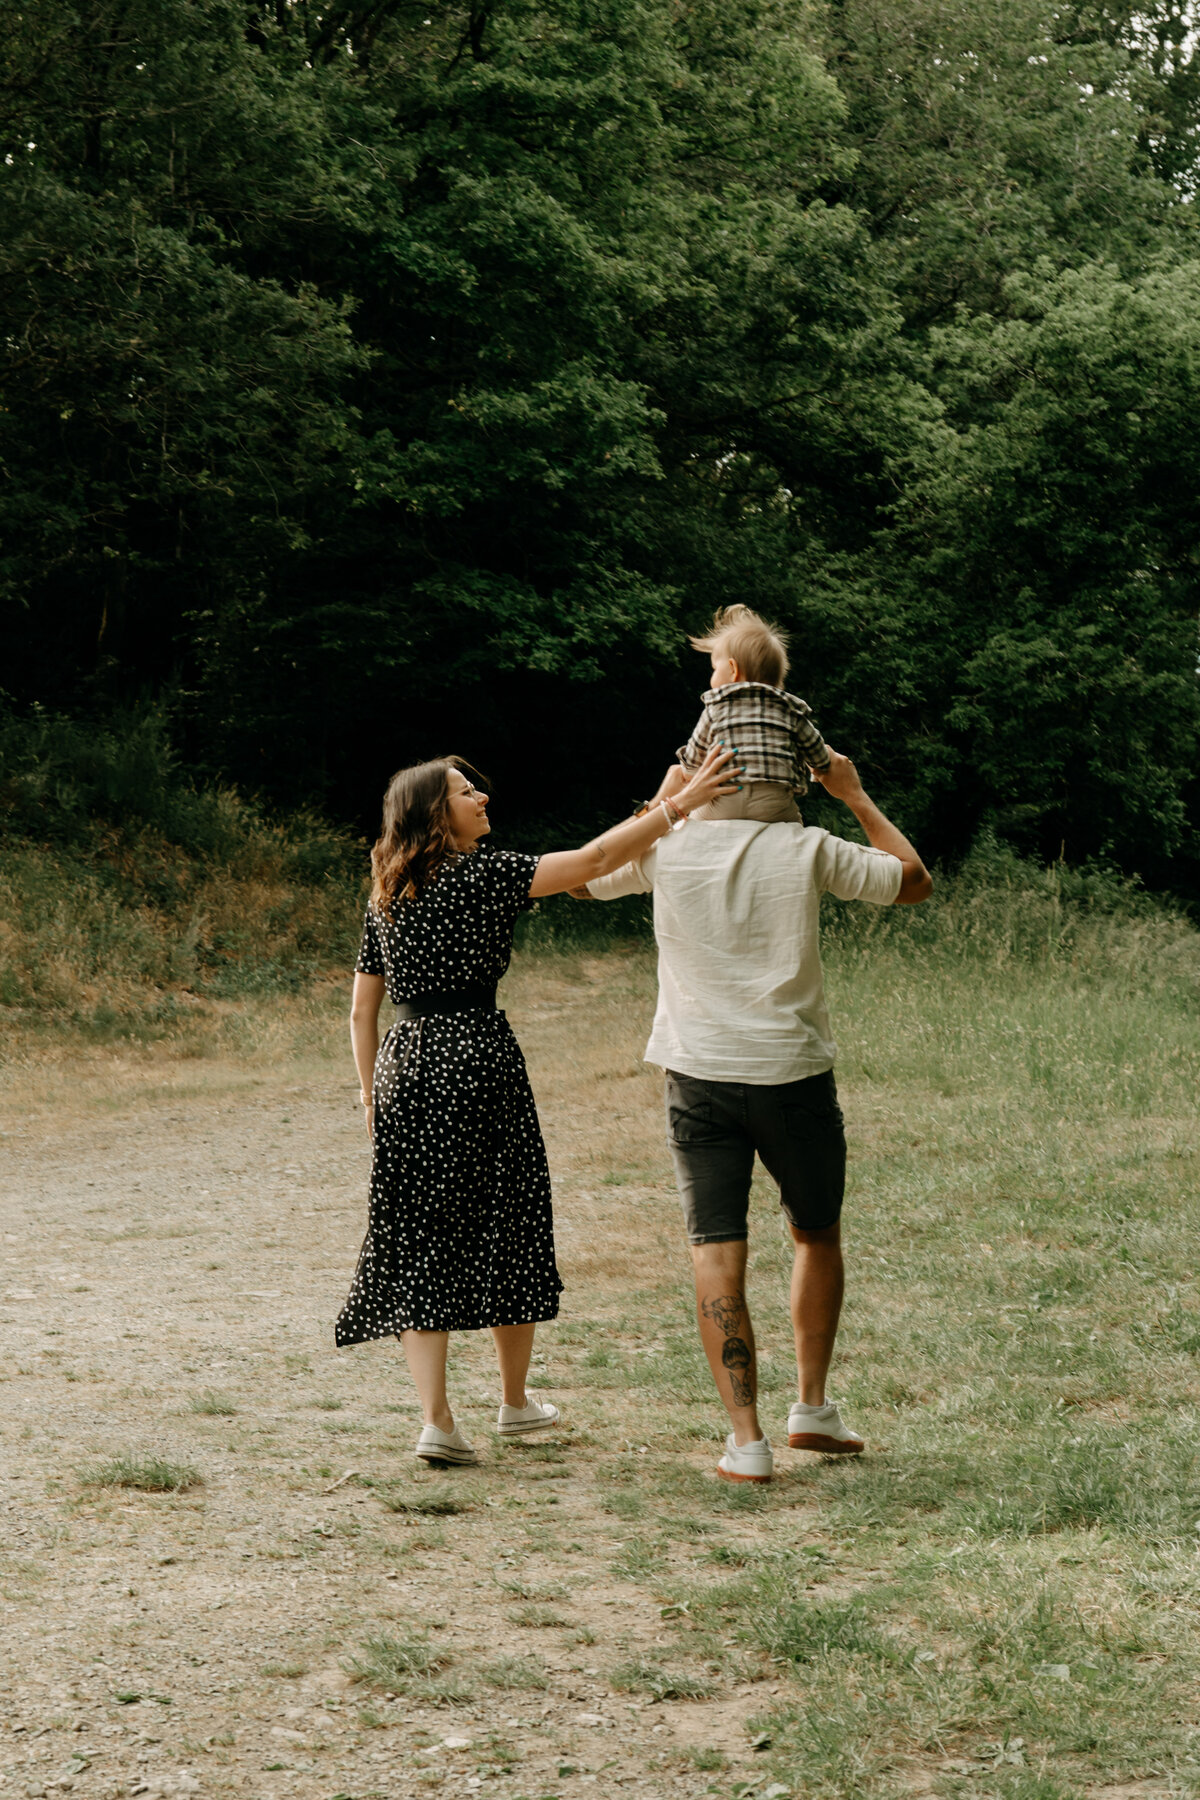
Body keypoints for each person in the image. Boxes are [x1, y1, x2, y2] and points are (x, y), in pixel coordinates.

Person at [337, 746, 741, 1467]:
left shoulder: (386, 892)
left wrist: (370, 1089)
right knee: (507, 1215)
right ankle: (514, 1402)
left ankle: (438, 1420)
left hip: (408, 1063)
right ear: (437, 813)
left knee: (420, 1232)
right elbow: (591, 862)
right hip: (478, 1056)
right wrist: (677, 804)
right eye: (467, 792)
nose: (483, 799)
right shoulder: (486, 875)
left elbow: (362, 1010)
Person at [581, 748, 932, 1482]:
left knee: (715, 1252)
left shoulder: (666, 847)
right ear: (790, 778)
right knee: (815, 1232)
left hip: (699, 1076)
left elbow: (584, 877)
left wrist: (665, 795)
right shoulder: (806, 846)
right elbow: (913, 882)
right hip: (792, 1076)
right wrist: (857, 795)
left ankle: (747, 1443)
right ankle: (811, 1407)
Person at [651, 604, 831, 826]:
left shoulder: (718, 707)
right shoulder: (790, 711)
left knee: (691, 822)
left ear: (733, 669)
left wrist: (689, 772)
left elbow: (696, 753)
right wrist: (819, 768)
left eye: (715, 669)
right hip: (775, 804)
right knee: (795, 824)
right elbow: (818, 753)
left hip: (726, 799)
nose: (712, 677)